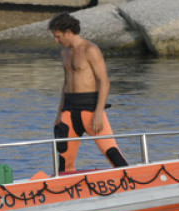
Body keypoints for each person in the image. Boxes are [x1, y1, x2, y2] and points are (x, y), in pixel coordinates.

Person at [50, 13, 129, 172]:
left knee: (112, 154)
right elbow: (66, 84)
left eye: (58, 37)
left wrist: (99, 113)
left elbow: (104, 81)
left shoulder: (90, 49)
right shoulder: (64, 53)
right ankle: (66, 191)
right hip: (69, 111)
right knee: (64, 162)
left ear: (68, 32)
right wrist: (59, 114)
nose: (56, 41)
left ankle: (134, 183)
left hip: (90, 110)